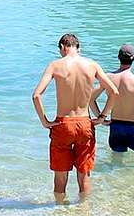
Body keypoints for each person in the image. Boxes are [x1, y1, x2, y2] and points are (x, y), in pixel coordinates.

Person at [32, 34, 119, 200]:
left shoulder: (55, 65)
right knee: (84, 174)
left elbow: (36, 95)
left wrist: (45, 121)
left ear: (63, 47)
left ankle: (59, 209)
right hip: (85, 123)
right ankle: (83, 209)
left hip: (62, 124)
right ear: (78, 48)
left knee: (60, 175)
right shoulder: (92, 65)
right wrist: (101, 116)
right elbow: (114, 92)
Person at [89, 44, 134, 156]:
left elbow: (90, 99)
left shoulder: (108, 78)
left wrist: (101, 118)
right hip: (133, 127)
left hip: (115, 127)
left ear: (118, 57)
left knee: (117, 159)